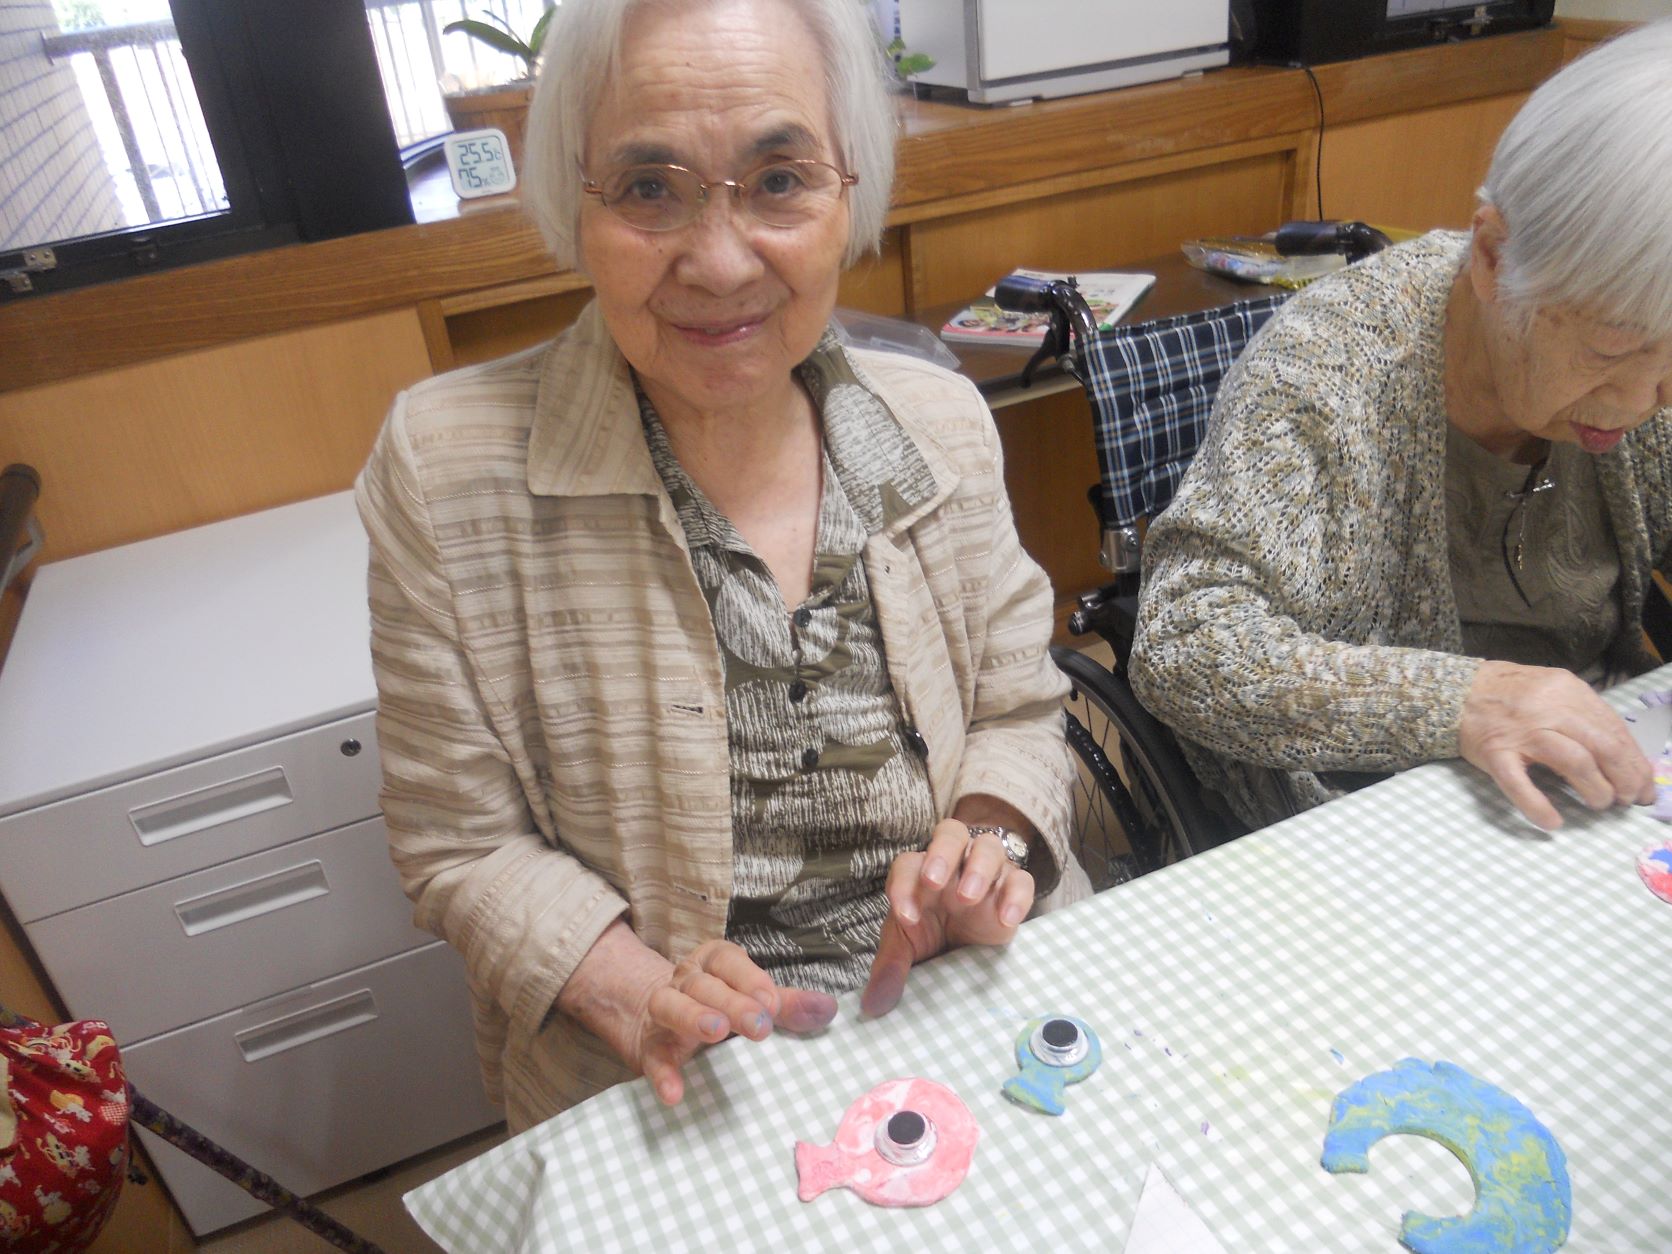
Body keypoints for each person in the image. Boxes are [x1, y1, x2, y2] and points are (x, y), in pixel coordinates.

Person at [354, 0, 1090, 1134]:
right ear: (574, 202)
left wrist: (986, 854)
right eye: (649, 188)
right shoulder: (443, 471)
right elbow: (459, 843)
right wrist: (637, 992)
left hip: (972, 1007)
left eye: (780, 179)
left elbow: (1020, 709)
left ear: (848, 192)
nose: (717, 260)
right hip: (680, 1077)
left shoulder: (941, 424)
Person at [1130, 19, 1672, 834]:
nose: (1644, 401)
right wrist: (1466, 700)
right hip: (1367, 807)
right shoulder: (1330, 370)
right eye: (1610, 352)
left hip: (1588, 774)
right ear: (1492, 257)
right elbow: (1184, 643)